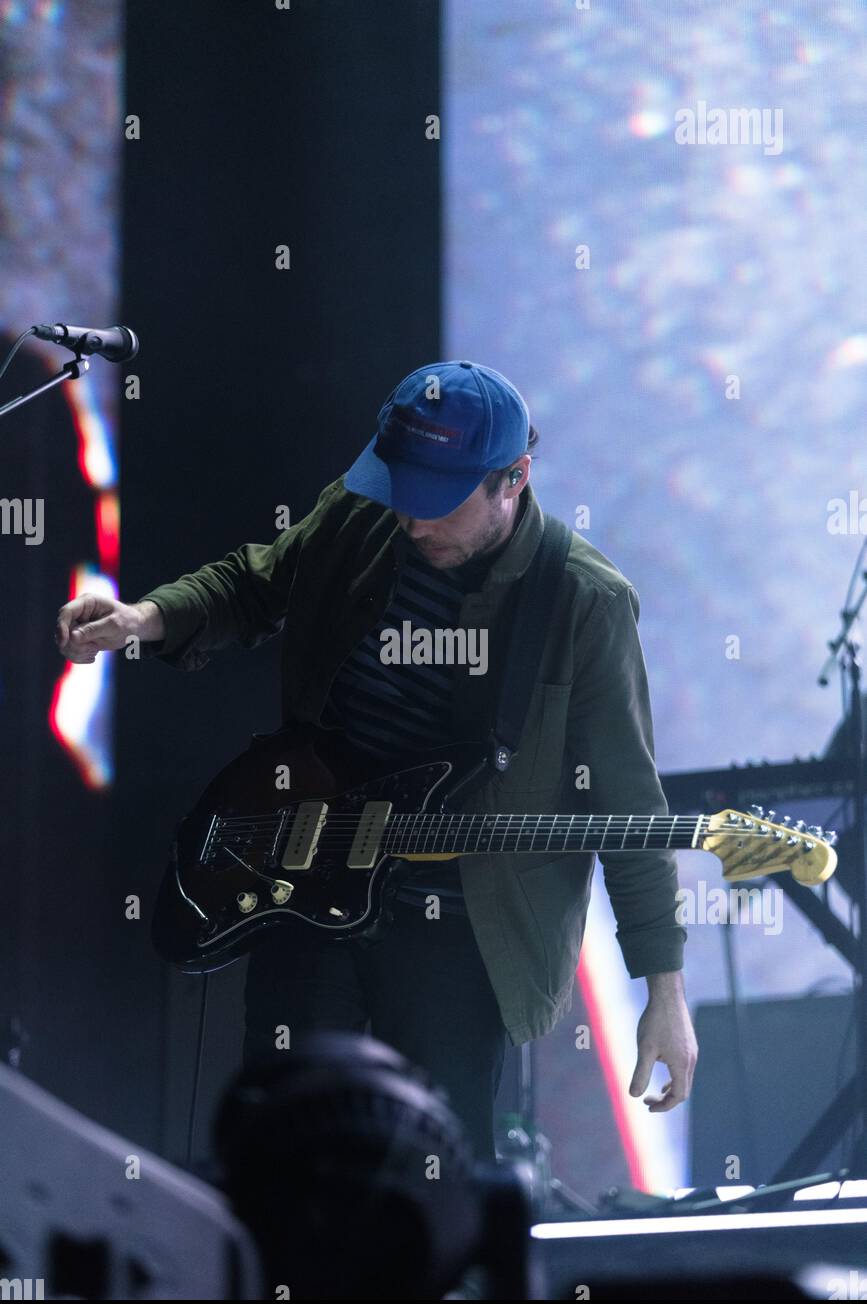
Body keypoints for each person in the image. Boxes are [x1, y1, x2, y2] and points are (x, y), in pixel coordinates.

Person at [55, 359, 698, 1161]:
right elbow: (255, 584)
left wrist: (662, 991)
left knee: (432, 1178)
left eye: (437, 502)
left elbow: (628, 806)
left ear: (515, 479)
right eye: (402, 490)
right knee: (281, 1145)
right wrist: (142, 618)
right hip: (311, 872)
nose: (412, 521)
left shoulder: (582, 600)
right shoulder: (367, 513)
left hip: (462, 923)